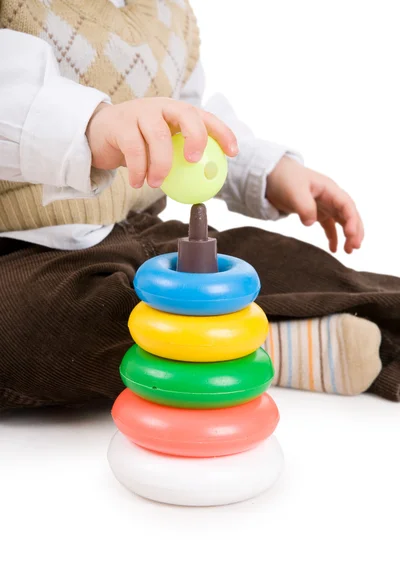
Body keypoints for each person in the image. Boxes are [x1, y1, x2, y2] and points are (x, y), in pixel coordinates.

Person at [0, 0, 398, 410]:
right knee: (37, 321)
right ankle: (254, 348)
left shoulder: (170, 15)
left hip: (145, 232)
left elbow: (193, 126)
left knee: (278, 265)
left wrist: (268, 171)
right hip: (23, 248)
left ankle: (376, 324)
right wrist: (91, 125)